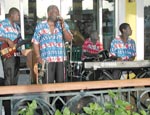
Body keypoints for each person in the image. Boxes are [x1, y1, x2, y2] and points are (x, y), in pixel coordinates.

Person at [32, 5, 73, 83]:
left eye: (58, 12)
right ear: (49, 13)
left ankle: (60, 96)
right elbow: (35, 42)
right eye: (55, 12)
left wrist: (63, 27)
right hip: (47, 60)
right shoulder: (40, 26)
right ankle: (50, 95)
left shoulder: (62, 25)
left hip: (60, 59)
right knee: (48, 83)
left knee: (61, 85)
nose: (57, 14)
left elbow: (69, 39)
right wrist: (38, 56)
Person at [0, 7, 21, 85]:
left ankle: (12, 95)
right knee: (9, 75)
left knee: (15, 76)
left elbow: (19, 41)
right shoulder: (2, 24)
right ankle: (7, 96)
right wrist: (7, 39)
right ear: (12, 15)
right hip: (6, 53)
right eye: (18, 15)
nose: (19, 17)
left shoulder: (17, 27)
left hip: (16, 53)